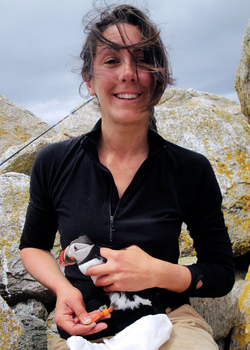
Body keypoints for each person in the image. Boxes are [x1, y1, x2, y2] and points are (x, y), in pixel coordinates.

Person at [19, 3, 235, 350]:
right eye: (111, 60)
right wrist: (63, 290)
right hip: (83, 328)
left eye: (143, 60)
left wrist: (158, 272)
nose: (129, 73)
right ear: (88, 80)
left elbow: (222, 271)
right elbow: (33, 246)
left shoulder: (190, 170)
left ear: (159, 80)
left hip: (169, 321)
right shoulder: (53, 162)